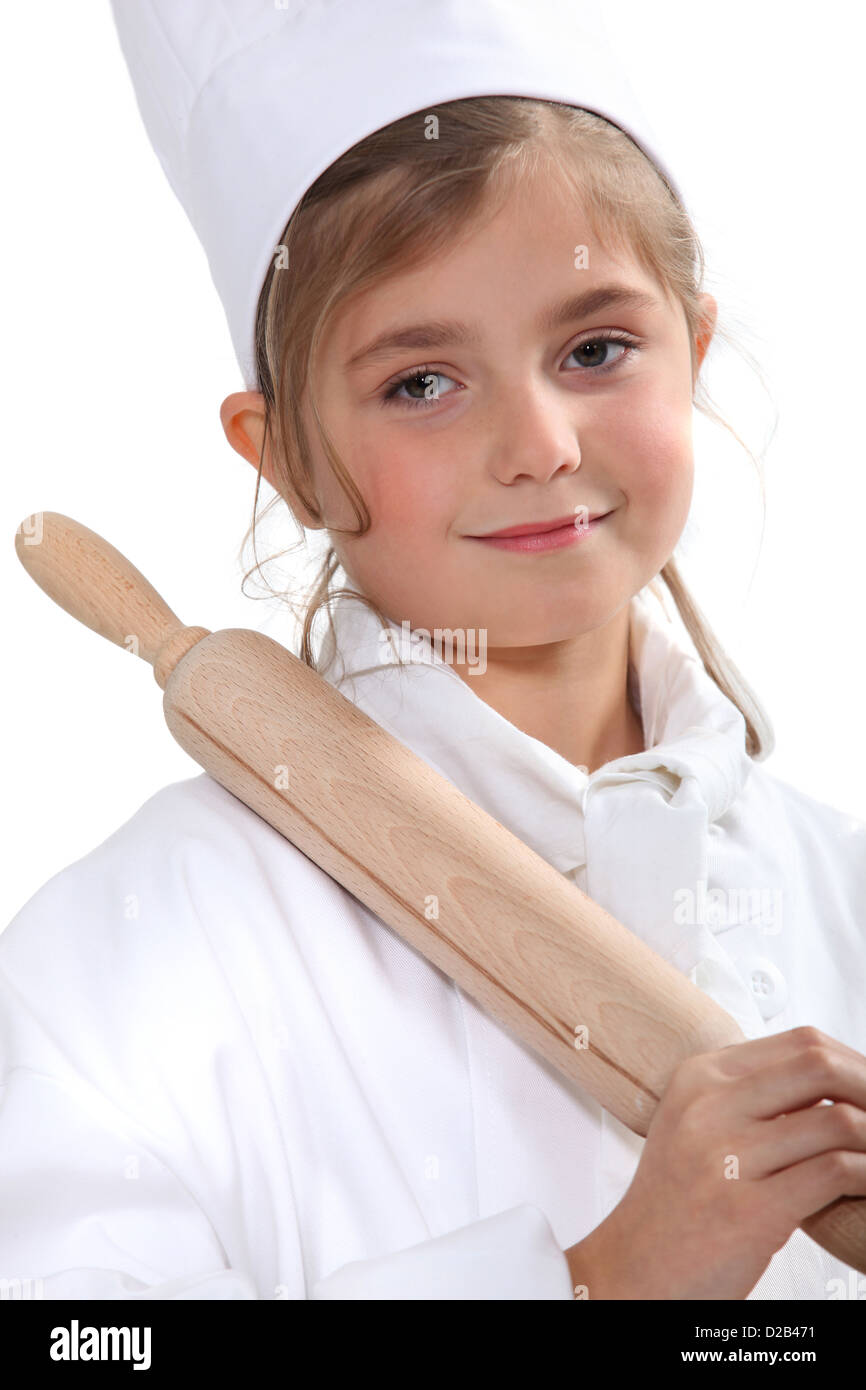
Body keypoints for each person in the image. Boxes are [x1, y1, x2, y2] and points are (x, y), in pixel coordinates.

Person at [3, 4, 865, 1301]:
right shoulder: (128, 955)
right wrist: (603, 1281)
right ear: (283, 453)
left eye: (594, 348)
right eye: (420, 380)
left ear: (690, 347)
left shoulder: (839, 888)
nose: (539, 445)